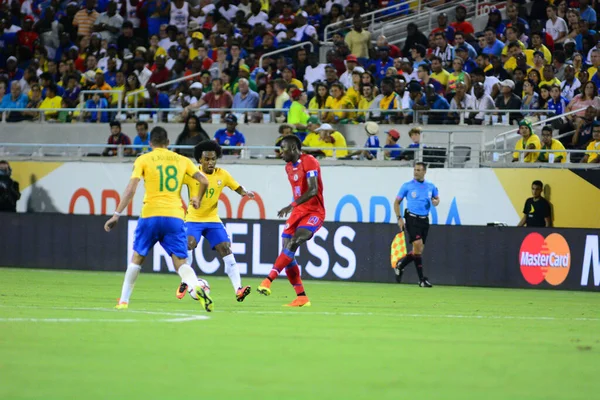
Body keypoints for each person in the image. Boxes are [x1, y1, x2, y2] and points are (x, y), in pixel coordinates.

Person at [104, 126, 212, 311]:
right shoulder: (182, 160)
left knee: (137, 258)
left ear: (150, 143)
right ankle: (195, 286)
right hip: (174, 216)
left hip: (150, 215)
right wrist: (197, 198)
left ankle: (123, 302)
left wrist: (116, 214)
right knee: (180, 262)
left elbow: (131, 190)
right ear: (168, 143)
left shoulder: (143, 159)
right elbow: (204, 180)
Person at [176, 140, 254, 302]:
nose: (211, 162)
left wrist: (245, 192)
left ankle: (238, 289)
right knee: (189, 244)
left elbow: (237, 187)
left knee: (225, 248)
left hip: (212, 220)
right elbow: (173, 180)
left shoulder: (222, 174)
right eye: (207, 159)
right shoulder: (191, 174)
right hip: (193, 219)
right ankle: (186, 281)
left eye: (213, 159)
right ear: (200, 160)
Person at [256, 135, 325, 307]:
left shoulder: (309, 161)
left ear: (294, 148)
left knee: (294, 242)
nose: (280, 153)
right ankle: (301, 296)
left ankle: (268, 280)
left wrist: (290, 205)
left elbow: (313, 190)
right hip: (297, 212)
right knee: (287, 252)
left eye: (283, 149)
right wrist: (294, 208)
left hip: (314, 211)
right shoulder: (288, 167)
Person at [393, 162, 438, 287]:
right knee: (417, 245)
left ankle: (400, 265)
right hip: (412, 218)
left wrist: (436, 201)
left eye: (418, 170)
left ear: (424, 172)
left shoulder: (431, 186)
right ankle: (422, 279)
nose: (416, 172)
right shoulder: (407, 186)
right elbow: (396, 203)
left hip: (424, 220)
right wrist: (399, 218)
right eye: (415, 170)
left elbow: (436, 198)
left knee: (418, 250)